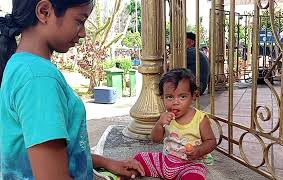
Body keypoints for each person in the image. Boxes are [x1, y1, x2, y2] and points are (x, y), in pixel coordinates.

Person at [0, 1, 144, 179]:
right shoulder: (39, 79)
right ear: (44, 12)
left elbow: (55, 154)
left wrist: (107, 163)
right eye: (79, 21)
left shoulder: (21, 65)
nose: (83, 33)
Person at [133, 68, 217, 180]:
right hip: (167, 160)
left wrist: (199, 150)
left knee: (194, 177)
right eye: (169, 97)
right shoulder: (165, 117)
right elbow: (155, 139)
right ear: (162, 97)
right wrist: (159, 124)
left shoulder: (200, 119)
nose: (175, 102)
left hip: (191, 164)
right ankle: (127, 173)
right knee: (139, 158)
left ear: (193, 96)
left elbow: (211, 142)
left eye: (182, 97)